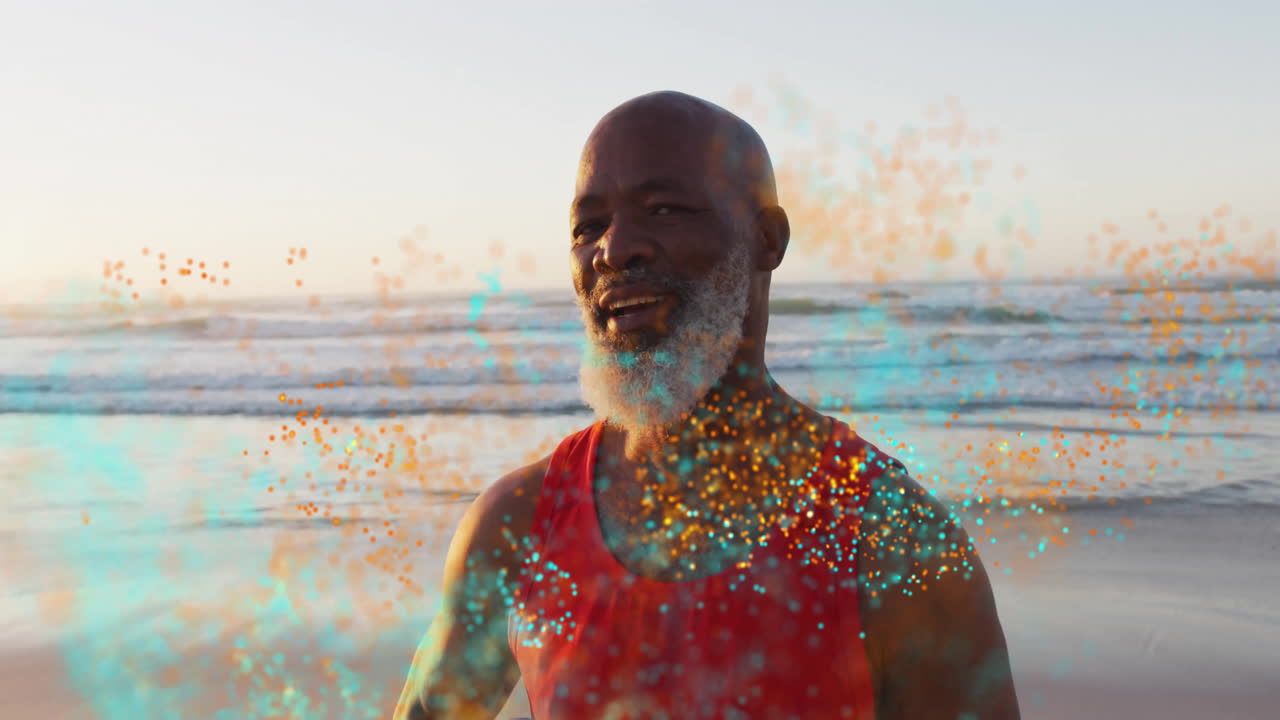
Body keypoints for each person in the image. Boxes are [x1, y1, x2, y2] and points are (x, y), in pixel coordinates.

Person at [393, 90, 1020, 720]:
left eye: (663, 209)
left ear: (766, 238)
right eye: (588, 227)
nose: (613, 249)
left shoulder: (889, 542)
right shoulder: (519, 526)